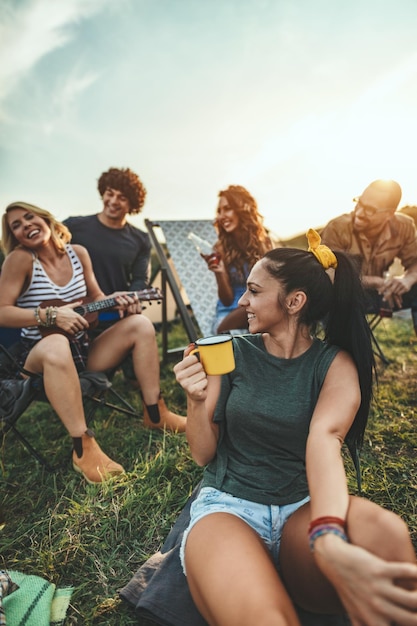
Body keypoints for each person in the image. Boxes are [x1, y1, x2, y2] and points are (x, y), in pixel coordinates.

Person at [173, 229, 417, 626]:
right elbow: (202, 453)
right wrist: (196, 400)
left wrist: (329, 537)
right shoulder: (229, 352)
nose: (242, 301)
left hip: (303, 510)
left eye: (253, 291)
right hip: (229, 509)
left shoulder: (334, 364)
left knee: (386, 532)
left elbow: (325, 440)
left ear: (294, 301)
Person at [0, 203, 186, 482]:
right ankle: (83, 447)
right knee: (56, 345)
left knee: (140, 324)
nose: (24, 225)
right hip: (38, 355)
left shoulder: (78, 254)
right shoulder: (20, 259)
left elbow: (97, 297)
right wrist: (51, 315)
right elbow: (2, 311)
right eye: (16, 225)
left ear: (46, 220)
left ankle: (155, 412)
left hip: (82, 348)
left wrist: (119, 298)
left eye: (29, 217)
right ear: (14, 236)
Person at [320, 179, 417, 332]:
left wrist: (406, 280)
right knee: (334, 298)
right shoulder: (337, 228)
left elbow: (414, 262)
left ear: (390, 214)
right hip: (343, 297)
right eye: (360, 203)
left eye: (370, 210)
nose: (359, 213)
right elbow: (329, 276)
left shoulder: (404, 226)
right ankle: (343, 353)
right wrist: (377, 282)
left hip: (381, 295)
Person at [63, 166, 151, 295]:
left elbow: (140, 279)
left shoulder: (141, 239)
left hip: (116, 309)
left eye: (122, 198)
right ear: (103, 193)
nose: (114, 201)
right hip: (75, 308)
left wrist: (132, 298)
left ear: (131, 204)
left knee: (141, 317)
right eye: (110, 194)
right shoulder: (72, 226)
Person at [203, 185, 273, 334]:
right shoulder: (221, 248)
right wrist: (220, 273)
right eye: (219, 211)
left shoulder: (264, 243)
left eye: (227, 208)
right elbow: (227, 300)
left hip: (259, 308)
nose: (221, 216)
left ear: (243, 209)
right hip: (230, 313)